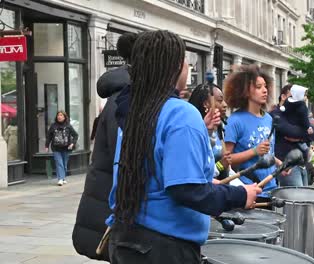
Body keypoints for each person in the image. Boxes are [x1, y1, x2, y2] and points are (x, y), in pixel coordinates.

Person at [105, 31, 261, 264]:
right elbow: (185, 190)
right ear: (178, 66)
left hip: (126, 239)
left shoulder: (134, 111)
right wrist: (240, 195)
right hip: (164, 247)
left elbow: (153, 176)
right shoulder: (180, 113)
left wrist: (207, 182)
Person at [72, 32, 137, 261]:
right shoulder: (126, 99)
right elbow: (125, 160)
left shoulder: (117, 96)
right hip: (112, 208)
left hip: (106, 201)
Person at [224, 65, 284, 204]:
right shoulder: (235, 121)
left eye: (265, 86)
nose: (265, 90)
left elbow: (267, 152)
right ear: (245, 91)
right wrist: (254, 151)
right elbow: (226, 160)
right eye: (258, 87)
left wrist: (280, 164)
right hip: (248, 191)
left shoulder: (269, 119)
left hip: (272, 189)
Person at [270, 84, 314, 187]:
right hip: (287, 164)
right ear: (283, 97)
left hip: (302, 162)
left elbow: (313, 132)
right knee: (296, 199)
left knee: (305, 198)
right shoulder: (275, 114)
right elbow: (291, 132)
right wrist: (305, 133)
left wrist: (302, 134)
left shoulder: (298, 111)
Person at [188, 82, 231, 180]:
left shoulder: (220, 128)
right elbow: (197, 171)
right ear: (206, 104)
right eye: (220, 100)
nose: (225, 105)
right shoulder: (193, 130)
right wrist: (220, 166)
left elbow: (228, 169)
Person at [45, 111, 78, 186]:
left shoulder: (68, 126)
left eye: (61, 115)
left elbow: (75, 135)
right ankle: (60, 179)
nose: (59, 117)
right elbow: (49, 136)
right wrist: (46, 146)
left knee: (64, 164)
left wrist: (72, 143)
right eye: (58, 115)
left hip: (66, 148)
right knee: (59, 163)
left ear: (64, 117)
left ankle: (63, 178)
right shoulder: (53, 126)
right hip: (56, 148)